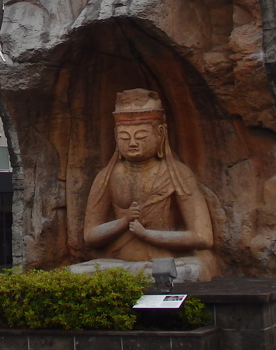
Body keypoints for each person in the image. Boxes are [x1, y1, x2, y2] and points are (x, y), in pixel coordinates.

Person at [83, 89, 216, 282]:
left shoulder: (177, 174)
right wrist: (123, 221)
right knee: (79, 273)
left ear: (160, 133)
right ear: (115, 136)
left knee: (189, 271)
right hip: (119, 262)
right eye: (125, 137)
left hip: (167, 261)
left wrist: (148, 235)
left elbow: (203, 237)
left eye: (141, 136)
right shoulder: (106, 177)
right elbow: (90, 235)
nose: (133, 143)